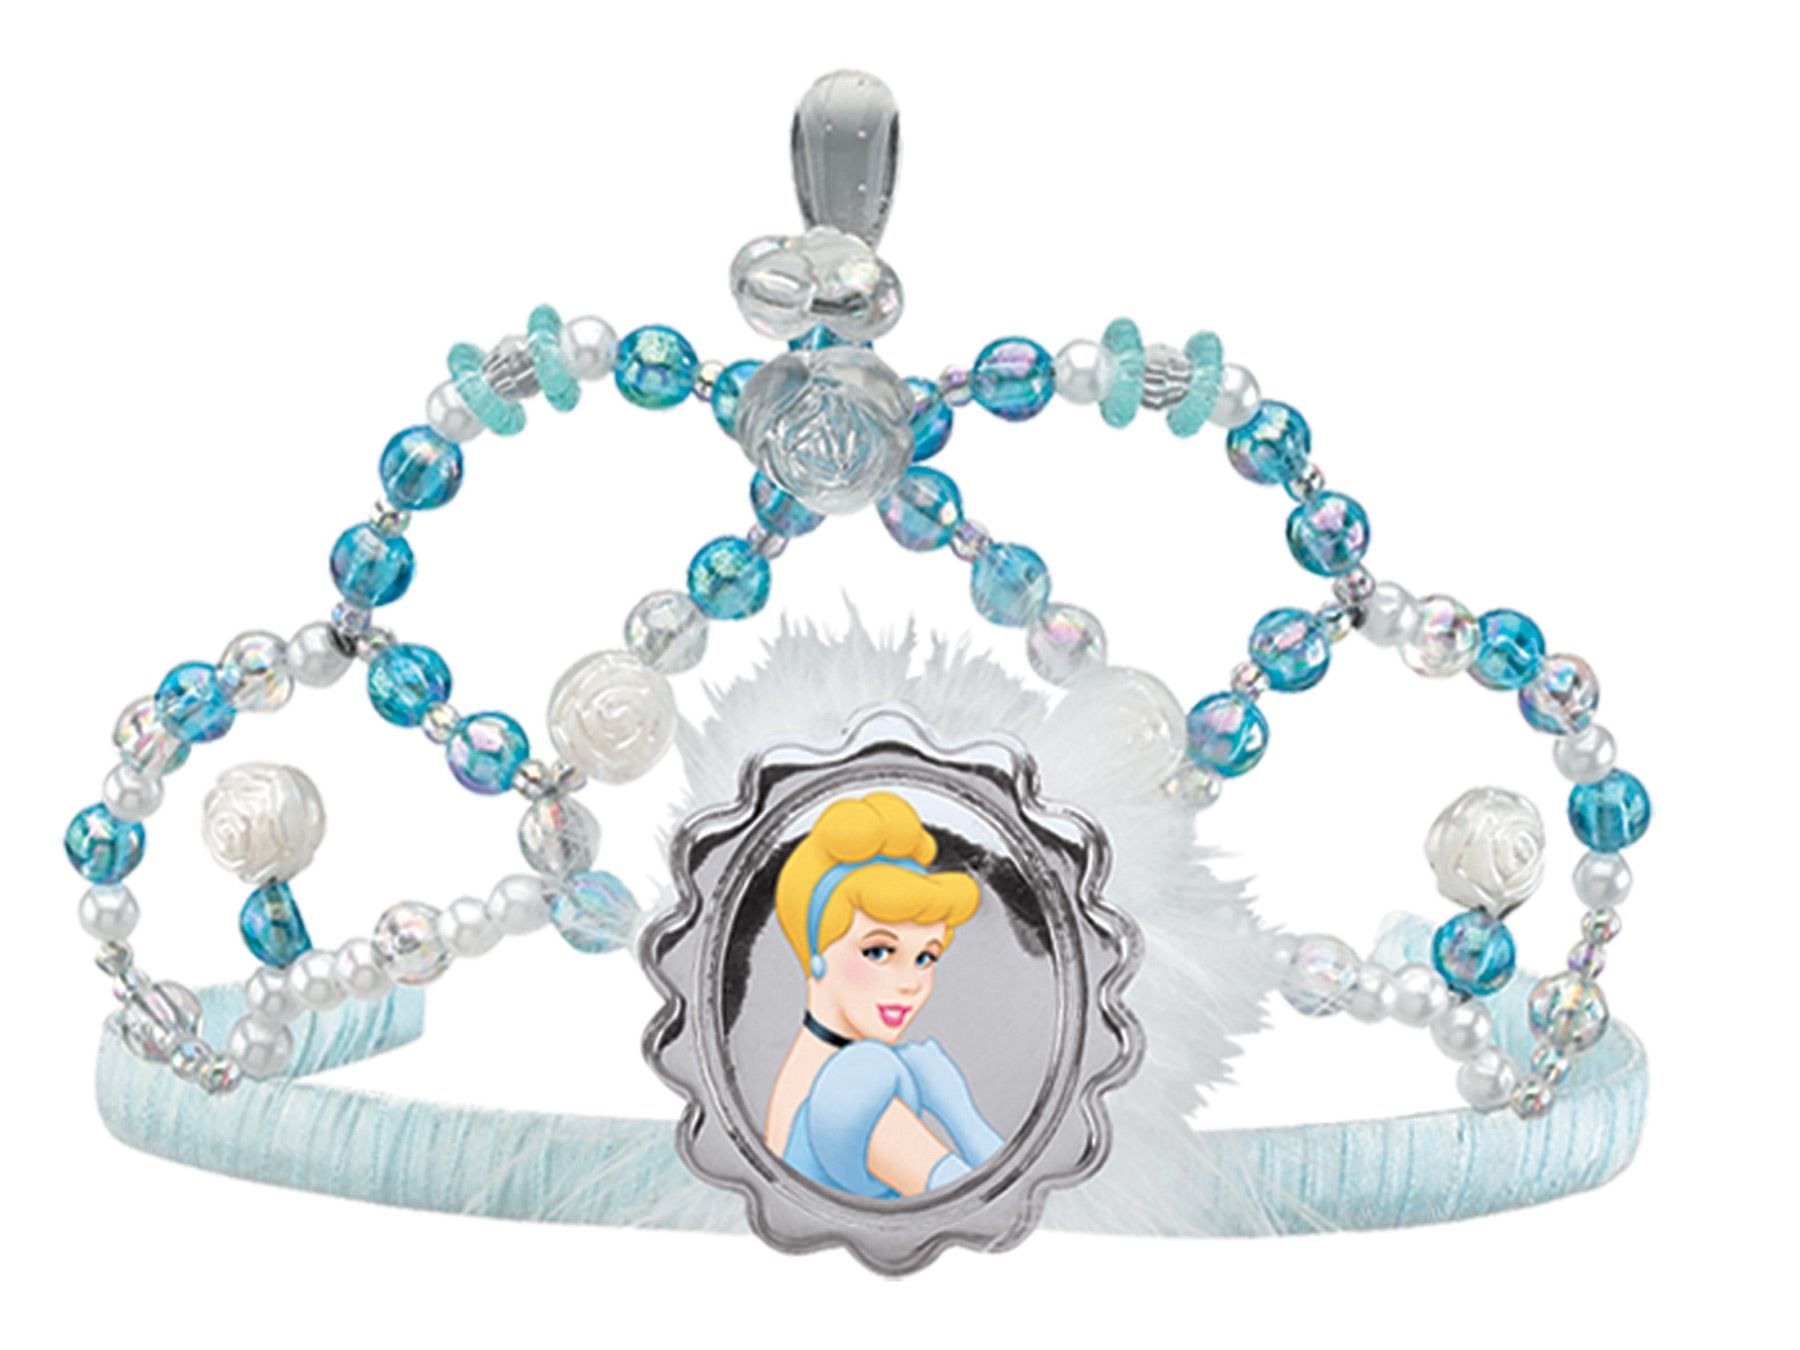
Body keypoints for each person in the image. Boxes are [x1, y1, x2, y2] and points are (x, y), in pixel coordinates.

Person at [763, 791, 1003, 1198]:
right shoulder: (856, 1080)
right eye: (878, 951)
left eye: (925, 957)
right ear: (817, 952)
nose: (910, 983)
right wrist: (957, 1110)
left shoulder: (802, 1072)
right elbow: (987, 1207)